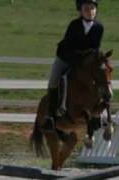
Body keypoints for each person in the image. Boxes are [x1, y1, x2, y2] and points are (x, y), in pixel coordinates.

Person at [42, 0, 104, 131]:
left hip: (85, 62)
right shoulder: (74, 25)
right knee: (54, 81)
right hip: (66, 58)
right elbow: (68, 48)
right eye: (86, 8)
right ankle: (50, 116)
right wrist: (81, 57)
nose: (90, 11)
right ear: (80, 11)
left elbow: (95, 49)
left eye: (93, 8)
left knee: (100, 79)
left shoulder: (99, 27)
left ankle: (97, 115)